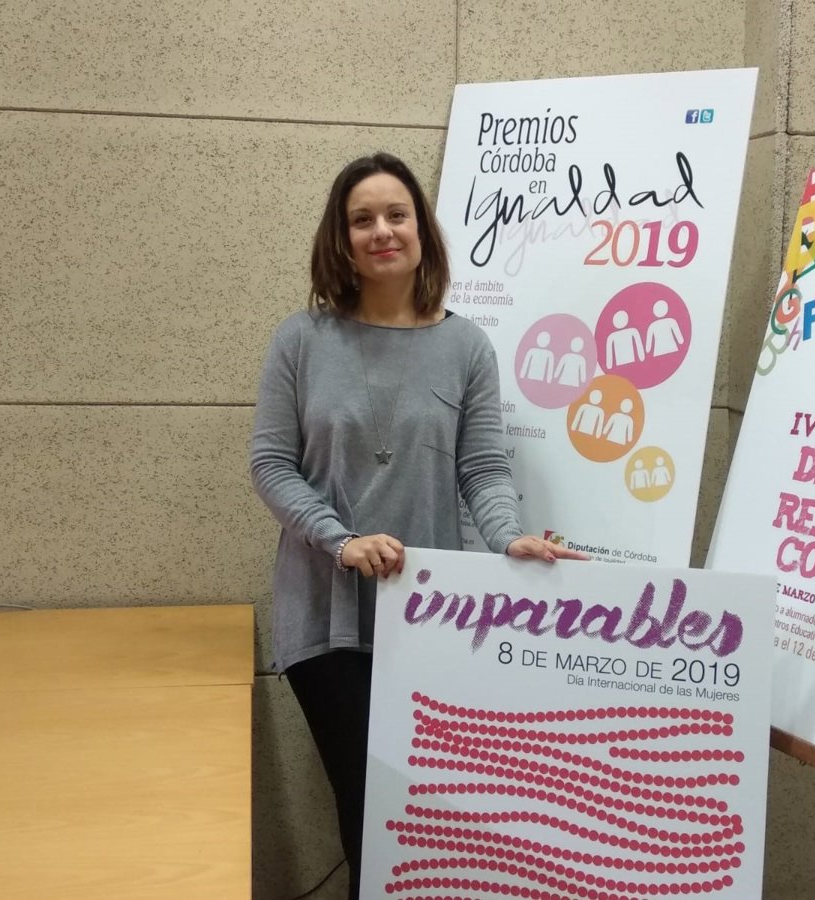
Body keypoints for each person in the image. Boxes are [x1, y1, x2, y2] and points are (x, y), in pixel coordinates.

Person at [249, 152, 584, 899]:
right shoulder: (300, 340)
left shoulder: (466, 347)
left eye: (396, 214)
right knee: (369, 809)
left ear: (422, 231)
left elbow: (483, 470)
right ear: (340, 239)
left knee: (427, 815)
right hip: (326, 619)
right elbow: (271, 465)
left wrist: (509, 538)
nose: (381, 231)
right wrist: (340, 540)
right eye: (361, 219)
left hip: (430, 616)